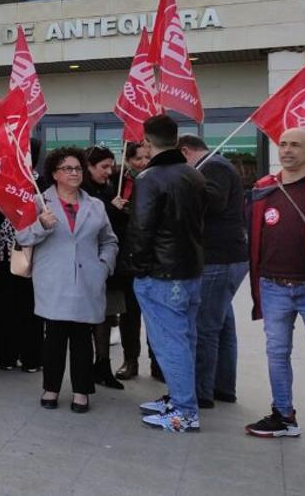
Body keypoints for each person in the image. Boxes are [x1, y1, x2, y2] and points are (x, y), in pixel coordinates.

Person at [242, 128, 305, 453]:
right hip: (273, 285)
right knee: (277, 354)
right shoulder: (263, 189)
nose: (287, 150)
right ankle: (283, 416)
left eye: (295, 145)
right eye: (283, 144)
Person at [19, 147, 119, 414]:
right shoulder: (39, 202)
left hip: (88, 279)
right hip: (54, 280)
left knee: (82, 338)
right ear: (54, 174)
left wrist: (104, 265)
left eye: (77, 168)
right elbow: (22, 238)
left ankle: (81, 391)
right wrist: (41, 225)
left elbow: (109, 240)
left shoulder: (95, 205)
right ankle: (50, 388)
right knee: (54, 336)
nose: (74, 173)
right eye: (67, 169)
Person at [125, 115, 206, 432]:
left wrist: (137, 267)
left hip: (162, 273)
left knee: (171, 342)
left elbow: (141, 230)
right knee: (184, 339)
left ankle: (185, 410)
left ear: (146, 141)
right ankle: (180, 398)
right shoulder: (193, 175)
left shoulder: (150, 178)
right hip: (189, 269)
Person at [179, 134, 249, 409]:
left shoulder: (213, 166)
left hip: (219, 258)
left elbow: (214, 202)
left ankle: (201, 392)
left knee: (205, 327)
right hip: (226, 257)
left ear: (186, 151)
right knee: (223, 325)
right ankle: (223, 387)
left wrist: (187, 186)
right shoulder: (214, 165)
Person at [0, 138, 44, 373]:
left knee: (29, 306)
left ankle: (32, 356)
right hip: (3, 253)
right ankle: (6, 355)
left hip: (31, 252)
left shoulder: (40, 182)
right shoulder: (1, 180)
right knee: (3, 304)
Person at [80, 145, 127, 390]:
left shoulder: (110, 191)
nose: (109, 172)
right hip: (87, 265)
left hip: (110, 267)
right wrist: (111, 209)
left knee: (108, 316)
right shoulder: (82, 193)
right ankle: (87, 367)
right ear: (89, 167)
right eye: (103, 167)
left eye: (111, 166)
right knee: (87, 318)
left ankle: (103, 364)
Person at [116, 141, 153, 380]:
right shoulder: (118, 182)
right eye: (137, 159)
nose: (142, 163)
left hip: (153, 257)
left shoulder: (157, 179)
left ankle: (158, 362)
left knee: (155, 315)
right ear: (128, 160)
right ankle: (130, 360)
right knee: (129, 314)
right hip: (127, 256)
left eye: (146, 158)